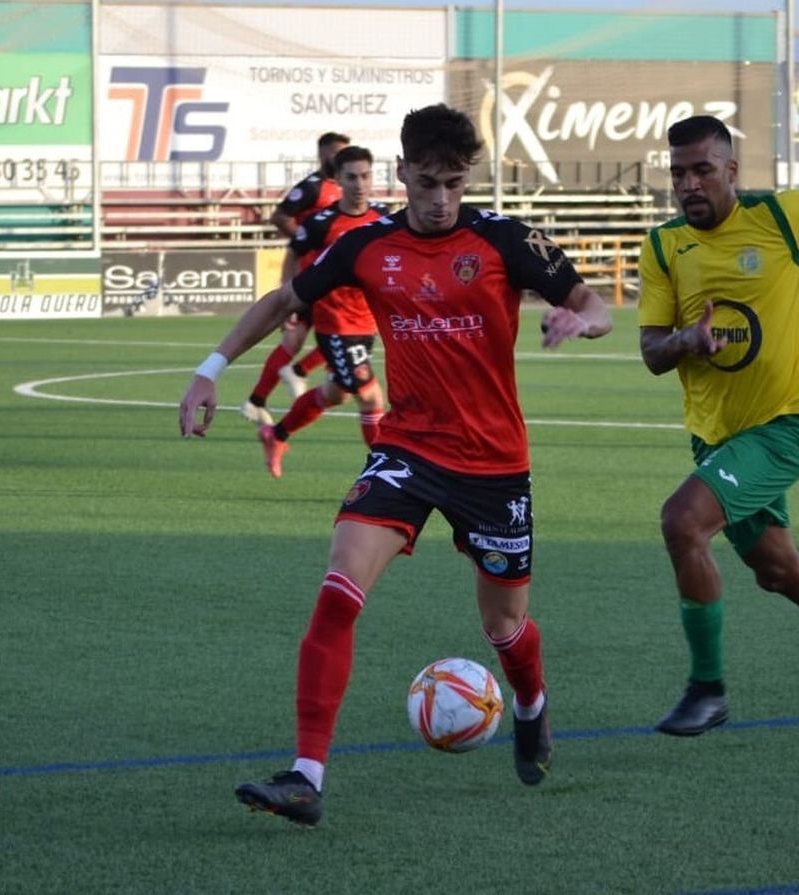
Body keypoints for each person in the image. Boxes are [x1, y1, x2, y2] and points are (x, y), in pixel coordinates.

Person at [178, 104, 613, 826]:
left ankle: (532, 704)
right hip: (408, 448)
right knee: (339, 584)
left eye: (455, 182)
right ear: (402, 173)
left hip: (494, 463)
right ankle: (306, 775)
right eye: (428, 182)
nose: (441, 198)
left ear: (467, 176)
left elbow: (593, 300)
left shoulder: (505, 238)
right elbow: (286, 299)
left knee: (505, 626)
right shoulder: (367, 245)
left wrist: (580, 320)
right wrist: (209, 369)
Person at [636, 115, 799, 737]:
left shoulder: (785, 215)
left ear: (732, 170)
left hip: (782, 429)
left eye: (703, 169)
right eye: (678, 173)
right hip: (717, 437)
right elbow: (652, 354)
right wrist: (686, 340)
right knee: (777, 571)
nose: (689, 184)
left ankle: (708, 690)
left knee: (682, 522)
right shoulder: (663, 247)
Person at [255, 144, 389, 477]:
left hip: (366, 324)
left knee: (334, 394)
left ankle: (276, 434)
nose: (359, 184)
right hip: (336, 324)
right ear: (338, 181)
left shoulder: (385, 217)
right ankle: (385, 472)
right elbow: (293, 254)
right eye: (351, 177)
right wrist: (288, 301)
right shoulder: (321, 223)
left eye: (365, 176)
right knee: (372, 399)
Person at [240, 131, 351, 426]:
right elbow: (279, 216)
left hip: (331, 276)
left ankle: (257, 400)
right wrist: (306, 240)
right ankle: (298, 373)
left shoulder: (342, 188)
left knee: (297, 337)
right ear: (324, 154)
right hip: (313, 275)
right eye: (337, 153)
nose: (341, 159)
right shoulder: (312, 188)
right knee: (343, 331)